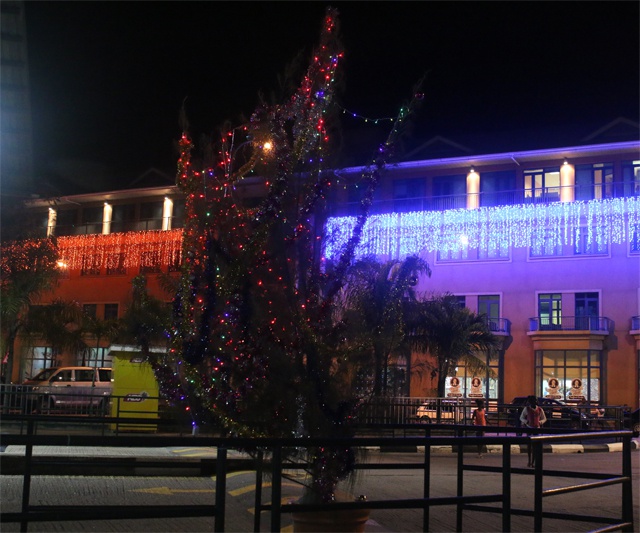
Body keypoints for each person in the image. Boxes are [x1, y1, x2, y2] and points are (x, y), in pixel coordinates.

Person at [519, 395, 547, 467]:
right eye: (532, 401)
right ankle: (529, 461)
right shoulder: (526, 409)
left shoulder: (540, 409)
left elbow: (544, 418)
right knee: (529, 446)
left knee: (535, 446)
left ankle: (533, 461)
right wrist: (526, 421)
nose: (534, 402)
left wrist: (540, 422)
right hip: (529, 428)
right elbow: (521, 417)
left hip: (537, 429)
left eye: (535, 401)